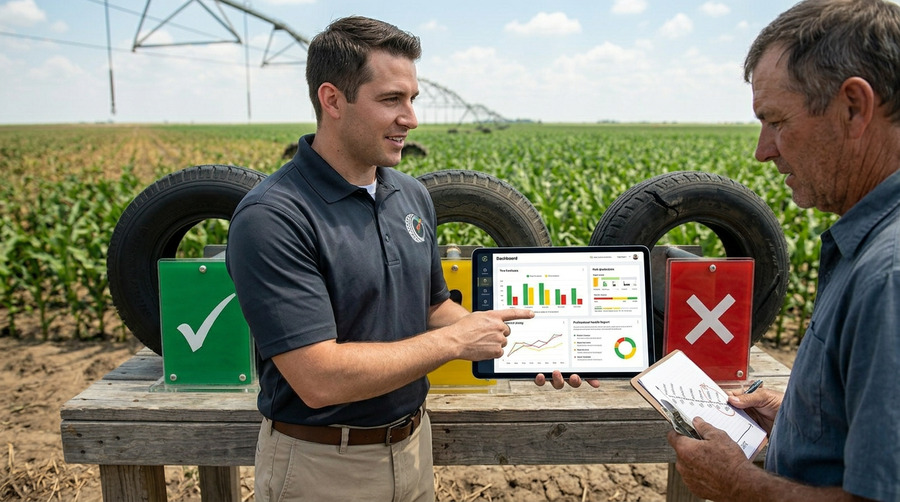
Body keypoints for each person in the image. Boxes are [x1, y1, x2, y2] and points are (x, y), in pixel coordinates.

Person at [226, 16, 591, 502]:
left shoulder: (410, 194)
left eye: (412, 99)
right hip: (322, 468)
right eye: (391, 100)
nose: (411, 118)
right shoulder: (273, 216)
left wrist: (532, 351)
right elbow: (318, 377)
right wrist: (457, 341)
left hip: (414, 449)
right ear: (332, 100)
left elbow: (432, 307)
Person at [666, 0, 900, 500]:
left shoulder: (889, 275)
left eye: (775, 121)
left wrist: (740, 485)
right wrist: (797, 417)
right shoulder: (868, 243)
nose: (763, 150)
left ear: (854, 107)